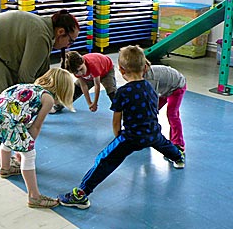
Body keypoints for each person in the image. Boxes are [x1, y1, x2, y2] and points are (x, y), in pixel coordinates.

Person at [57, 45, 185, 209]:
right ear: (144, 66)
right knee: (163, 144)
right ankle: (178, 157)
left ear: (121, 71)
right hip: (153, 132)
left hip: (131, 137)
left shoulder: (122, 92)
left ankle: (81, 194)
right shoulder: (151, 88)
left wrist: (119, 139)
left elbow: (117, 121)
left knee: (104, 160)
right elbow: (153, 112)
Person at [0, 10, 80, 167]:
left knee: (11, 104)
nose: (69, 45)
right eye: (70, 41)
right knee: (0, 105)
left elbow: (41, 70)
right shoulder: (41, 35)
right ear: (60, 32)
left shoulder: (42, 28)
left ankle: (4, 150)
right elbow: (25, 79)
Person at [0, 68, 75, 208]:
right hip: (11, 122)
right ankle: (34, 197)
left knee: (8, 137)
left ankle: (5, 168)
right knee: (29, 155)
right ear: (63, 88)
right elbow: (36, 126)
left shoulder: (27, 86)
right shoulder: (48, 99)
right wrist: (25, 148)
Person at [52, 51, 117, 113]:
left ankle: (120, 108)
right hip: (91, 75)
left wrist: (95, 103)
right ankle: (59, 105)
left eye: (81, 69)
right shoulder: (74, 68)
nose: (80, 73)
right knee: (75, 89)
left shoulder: (93, 65)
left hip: (106, 71)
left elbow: (97, 85)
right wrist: (89, 103)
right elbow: (83, 86)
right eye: (76, 72)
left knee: (111, 89)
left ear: (83, 61)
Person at [143, 60, 187, 152]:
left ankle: (178, 144)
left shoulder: (150, 79)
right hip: (164, 87)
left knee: (172, 114)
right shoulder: (141, 76)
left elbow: (152, 100)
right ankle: (146, 134)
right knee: (149, 111)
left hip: (177, 87)